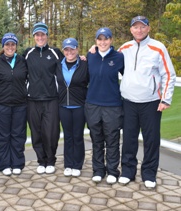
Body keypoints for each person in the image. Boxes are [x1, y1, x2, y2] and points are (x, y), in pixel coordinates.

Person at [118, 16, 176, 189]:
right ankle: (128, 171)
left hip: (151, 102)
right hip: (128, 102)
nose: (139, 30)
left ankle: (149, 173)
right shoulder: (125, 48)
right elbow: (108, 58)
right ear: (131, 30)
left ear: (148, 28)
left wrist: (166, 98)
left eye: (142, 27)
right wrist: (92, 50)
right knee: (128, 138)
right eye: (135, 27)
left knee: (151, 139)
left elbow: (168, 74)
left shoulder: (158, 48)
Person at [23, 22, 64, 174]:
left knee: (51, 132)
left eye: (42, 34)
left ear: (47, 36)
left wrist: (83, 57)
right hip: (32, 100)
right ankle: (41, 160)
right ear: (33, 36)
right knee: (36, 132)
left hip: (51, 99)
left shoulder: (55, 52)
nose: (40, 37)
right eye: (37, 35)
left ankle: (51, 160)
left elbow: (69, 62)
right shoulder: (27, 53)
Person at [85, 28, 124, 184]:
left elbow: (129, 76)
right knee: (96, 140)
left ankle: (113, 171)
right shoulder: (90, 56)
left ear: (111, 40)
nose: (102, 42)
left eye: (105, 39)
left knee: (112, 140)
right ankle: (98, 170)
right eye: (99, 39)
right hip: (93, 104)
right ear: (96, 41)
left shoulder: (119, 57)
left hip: (112, 106)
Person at [0, 33, 28, 176]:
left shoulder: (22, 61)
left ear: (16, 46)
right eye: (7, 44)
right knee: (2, 136)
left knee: (18, 135)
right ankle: (4, 164)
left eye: (13, 44)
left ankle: (17, 163)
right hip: (0, 105)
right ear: (3, 46)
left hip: (20, 105)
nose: (10, 47)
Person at [56, 38, 88, 177]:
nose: (69, 52)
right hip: (63, 105)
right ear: (63, 51)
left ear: (77, 49)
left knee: (77, 136)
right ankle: (68, 164)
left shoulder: (85, 64)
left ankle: (77, 164)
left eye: (72, 49)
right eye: (67, 49)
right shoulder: (58, 64)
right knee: (68, 136)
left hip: (79, 106)